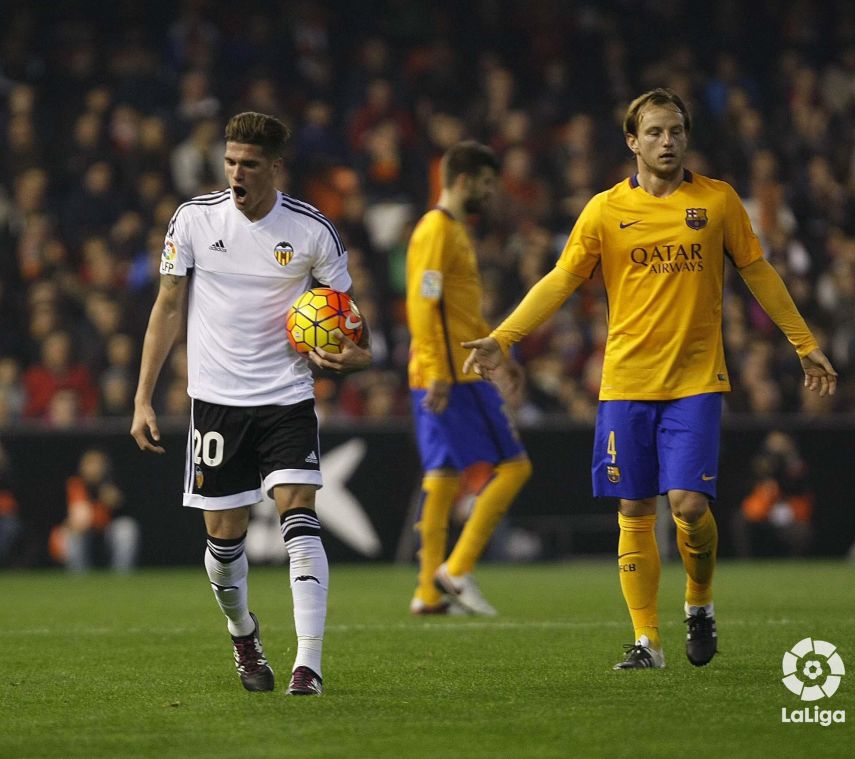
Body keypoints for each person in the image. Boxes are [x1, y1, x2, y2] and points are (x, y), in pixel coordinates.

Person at [463, 89, 837, 668]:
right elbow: (561, 279)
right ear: (632, 141)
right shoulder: (605, 209)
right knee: (635, 510)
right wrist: (504, 336)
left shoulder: (717, 202)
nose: (669, 142)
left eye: (677, 131)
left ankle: (700, 603)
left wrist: (804, 343)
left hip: (695, 382)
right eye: (657, 132)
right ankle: (647, 642)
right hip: (626, 384)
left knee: (687, 505)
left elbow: (758, 272)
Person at [131, 112, 371, 696]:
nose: (237, 174)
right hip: (215, 402)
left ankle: (308, 666)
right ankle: (244, 634)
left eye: (250, 165)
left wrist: (354, 358)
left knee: (299, 515)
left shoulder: (314, 231)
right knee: (223, 542)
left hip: (286, 396)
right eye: (231, 162)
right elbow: (166, 308)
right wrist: (142, 396)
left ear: (275, 168)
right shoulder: (192, 220)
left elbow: (348, 326)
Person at [406, 140, 532, 616]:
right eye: (485, 183)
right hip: (451, 374)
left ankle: (427, 591)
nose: (490, 192)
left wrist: (500, 350)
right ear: (463, 181)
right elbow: (424, 302)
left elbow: (456, 308)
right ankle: (457, 568)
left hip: (441, 368)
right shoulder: (437, 230)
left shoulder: (450, 230)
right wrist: (440, 371)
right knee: (514, 466)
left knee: (442, 475)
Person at [48, 448, 140, 572]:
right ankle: (78, 578)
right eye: (90, 464)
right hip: (81, 534)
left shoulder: (112, 484)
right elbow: (61, 519)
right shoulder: (74, 485)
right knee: (69, 534)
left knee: (127, 528)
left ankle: (122, 577)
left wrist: (115, 502)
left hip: (107, 533)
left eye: (98, 464)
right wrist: (71, 524)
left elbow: (126, 513)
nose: (95, 468)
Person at [734, 431, 814, 557]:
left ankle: (794, 567)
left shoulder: (796, 464)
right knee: (740, 520)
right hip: (763, 510)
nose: (778, 447)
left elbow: (799, 487)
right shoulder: (760, 463)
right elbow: (746, 488)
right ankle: (746, 561)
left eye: (781, 443)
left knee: (802, 532)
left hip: (788, 512)